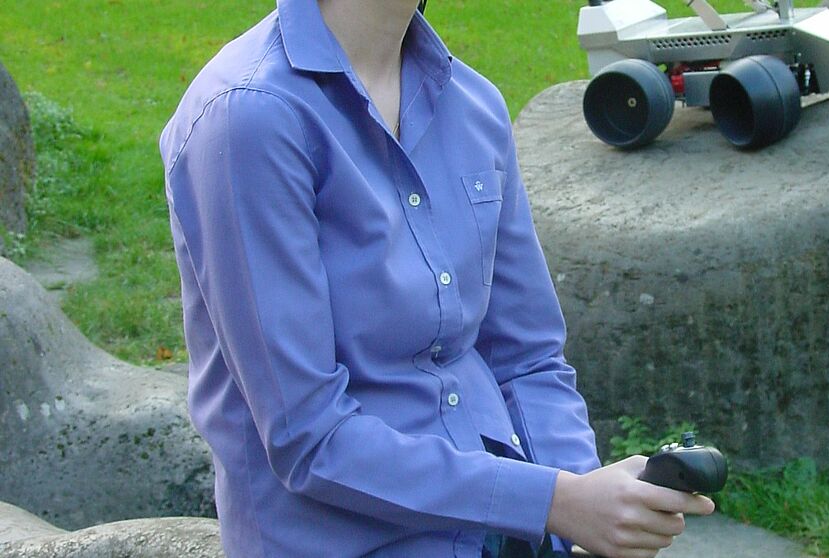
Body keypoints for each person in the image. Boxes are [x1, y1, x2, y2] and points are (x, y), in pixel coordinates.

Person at [159, 1, 714, 556]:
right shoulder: (249, 117)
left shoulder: (472, 104)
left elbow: (527, 357)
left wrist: (584, 507)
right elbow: (308, 436)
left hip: (506, 528)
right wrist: (555, 502)